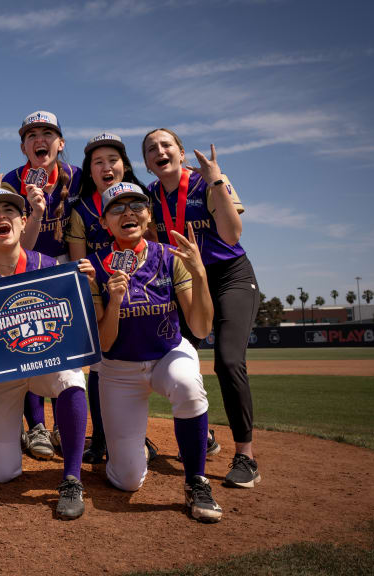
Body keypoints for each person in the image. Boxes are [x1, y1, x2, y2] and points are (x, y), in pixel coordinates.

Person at [86, 181, 223, 523]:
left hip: (167, 354)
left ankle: (196, 481)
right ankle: (128, 453)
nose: (127, 213)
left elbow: (202, 328)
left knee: (188, 385)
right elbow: (103, 344)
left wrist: (200, 273)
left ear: (148, 218)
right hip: (118, 369)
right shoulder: (95, 267)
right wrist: (114, 301)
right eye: (116, 208)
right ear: (104, 223)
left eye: (136, 206)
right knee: (128, 480)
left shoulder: (168, 257)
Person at [0, 188, 90, 519]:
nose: (2, 216)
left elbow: (75, 327)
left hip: (44, 365)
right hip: (0, 376)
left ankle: (72, 478)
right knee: (1, 474)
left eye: (10, 211)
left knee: (72, 376)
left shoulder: (48, 266)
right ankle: (13, 428)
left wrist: (88, 286)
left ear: (23, 221)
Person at [142, 129, 260, 488]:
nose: (159, 151)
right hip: (183, 280)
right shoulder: (149, 196)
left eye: (166, 145)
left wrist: (217, 181)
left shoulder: (207, 183)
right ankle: (202, 433)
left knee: (227, 360)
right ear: (147, 163)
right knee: (168, 353)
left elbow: (232, 235)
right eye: (151, 149)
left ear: (180, 152)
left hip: (228, 276)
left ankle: (246, 456)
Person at [69, 132, 161, 465]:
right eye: (98, 162)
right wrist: (94, 286)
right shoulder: (81, 209)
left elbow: (151, 248)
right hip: (100, 285)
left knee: (149, 362)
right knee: (99, 363)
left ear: (124, 165)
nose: (106, 167)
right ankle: (102, 436)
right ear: (89, 171)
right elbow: (79, 259)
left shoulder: (142, 197)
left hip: (143, 288)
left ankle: (137, 434)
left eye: (113, 160)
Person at [0, 110, 83, 460]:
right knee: (28, 345)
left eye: (47, 133)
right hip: (24, 267)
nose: (39, 140)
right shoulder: (11, 180)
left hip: (64, 266)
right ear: (23, 146)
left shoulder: (77, 177)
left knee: (64, 347)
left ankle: (63, 422)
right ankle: (36, 425)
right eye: (32, 134)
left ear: (60, 143)